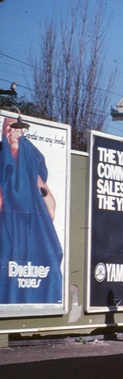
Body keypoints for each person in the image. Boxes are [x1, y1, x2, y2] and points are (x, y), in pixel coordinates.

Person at [0, 115, 63, 303]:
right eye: (7, 129)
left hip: (34, 243)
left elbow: (50, 210)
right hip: (8, 240)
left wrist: (32, 176)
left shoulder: (32, 167)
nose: (11, 132)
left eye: (16, 128)